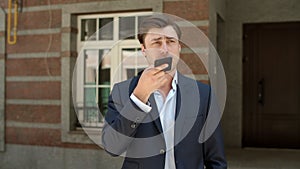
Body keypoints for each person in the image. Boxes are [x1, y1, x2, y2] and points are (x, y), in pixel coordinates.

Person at [101, 14, 227, 169]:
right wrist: (139, 98)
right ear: (144, 50)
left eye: (170, 42)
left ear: (179, 47)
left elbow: (216, 160)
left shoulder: (203, 94)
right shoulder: (122, 91)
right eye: (156, 42)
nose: (165, 49)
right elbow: (112, 147)